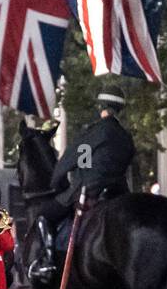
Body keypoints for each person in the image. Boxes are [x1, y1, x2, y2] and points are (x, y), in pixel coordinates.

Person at [48, 92, 136, 230]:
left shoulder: (94, 133)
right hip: (119, 192)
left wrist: (55, 181)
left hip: (90, 191)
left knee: (44, 216)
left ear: (101, 107)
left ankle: (48, 249)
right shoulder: (126, 137)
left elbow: (73, 160)